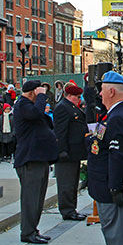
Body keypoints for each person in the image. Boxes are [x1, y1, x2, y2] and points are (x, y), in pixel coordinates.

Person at [87, 71, 123, 245]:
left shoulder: (118, 116)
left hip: (110, 191)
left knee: (116, 238)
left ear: (112, 91)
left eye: (102, 89)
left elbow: (118, 154)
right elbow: (96, 141)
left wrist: (114, 188)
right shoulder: (111, 115)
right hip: (107, 187)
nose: (99, 93)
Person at [13, 79, 59, 244]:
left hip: (40, 158)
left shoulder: (31, 106)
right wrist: (40, 98)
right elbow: (35, 114)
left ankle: (33, 229)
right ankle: (27, 232)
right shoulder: (22, 105)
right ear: (33, 92)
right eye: (40, 93)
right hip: (30, 159)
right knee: (30, 198)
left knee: (38, 198)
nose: (43, 97)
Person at [52, 82, 87, 221]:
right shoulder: (62, 108)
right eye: (77, 97)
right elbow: (60, 132)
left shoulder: (71, 107)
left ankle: (72, 208)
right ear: (70, 96)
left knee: (73, 183)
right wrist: (62, 150)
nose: (79, 99)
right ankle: (67, 210)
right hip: (66, 153)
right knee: (66, 184)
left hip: (74, 152)